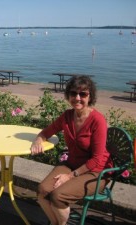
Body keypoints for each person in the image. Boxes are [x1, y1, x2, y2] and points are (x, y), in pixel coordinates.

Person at [30, 75, 113, 225]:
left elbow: (96, 159)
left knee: (58, 196)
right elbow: (45, 132)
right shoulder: (67, 116)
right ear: (68, 95)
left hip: (96, 172)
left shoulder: (97, 120)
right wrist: (38, 140)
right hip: (72, 164)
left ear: (90, 96)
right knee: (42, 191)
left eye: (83, 94)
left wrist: (70, 176)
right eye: (73, 93)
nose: (77, 98)